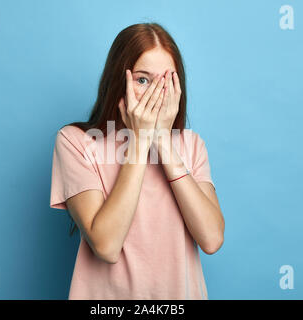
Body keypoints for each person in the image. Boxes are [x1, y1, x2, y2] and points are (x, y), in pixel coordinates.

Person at [50, 22, 225, 300]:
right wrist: (141, 141)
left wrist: (164, 144)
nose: (156, 94)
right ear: (119, 81)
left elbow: (212, 238)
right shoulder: (76, 141)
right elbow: (106, 246)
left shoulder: (191, 146)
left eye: (166, 81)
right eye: (143, 80)